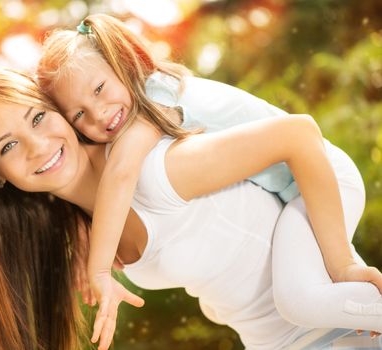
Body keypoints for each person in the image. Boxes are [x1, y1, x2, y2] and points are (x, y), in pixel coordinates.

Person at [0, 67, 382, 350]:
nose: (38, 146)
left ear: (61, 113)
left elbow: (296, 136)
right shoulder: (94, 228)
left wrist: (341, 264)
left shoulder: (155, 171)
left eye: (39, 117)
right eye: (8, 146)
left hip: (340, 326)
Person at [35, 14, 382, 347]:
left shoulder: (155, 100)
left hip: (321, 176)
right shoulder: (134, 109)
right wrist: (81, 233)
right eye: (78, 114)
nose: (99, 113)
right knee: (332, 305)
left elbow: (120, 173)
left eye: (99, 88)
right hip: (300, 189)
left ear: (122, 64)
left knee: (301, 300)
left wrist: (342, 264)